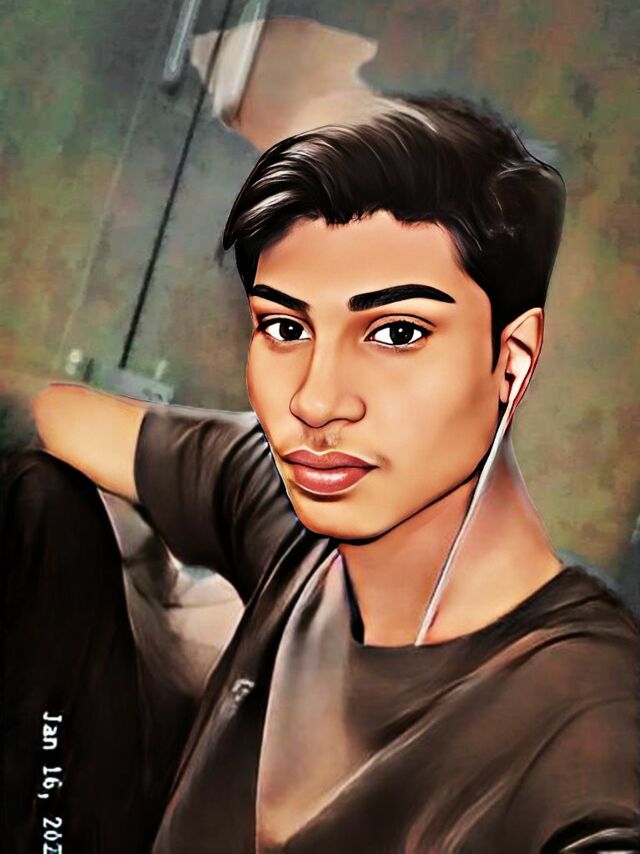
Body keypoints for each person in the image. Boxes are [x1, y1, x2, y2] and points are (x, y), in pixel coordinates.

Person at [7, 95, 639, 852]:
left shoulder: (586, 722)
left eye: (396, 333)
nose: (314, 400)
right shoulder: (289, 496)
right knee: (35, 499)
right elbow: (56, 413)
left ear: (513, 359)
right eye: (285, 326)